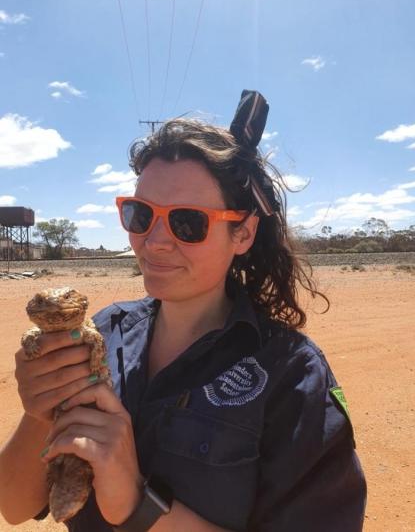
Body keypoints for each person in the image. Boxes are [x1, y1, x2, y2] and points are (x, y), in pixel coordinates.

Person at [0, 91, 367, 531]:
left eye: (187, 222)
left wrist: (138, 503)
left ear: (244, 234)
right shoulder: (103, 333)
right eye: (140, 215)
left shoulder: (291, 377)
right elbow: (15, 505)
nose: (153, 241)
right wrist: (41, 409)